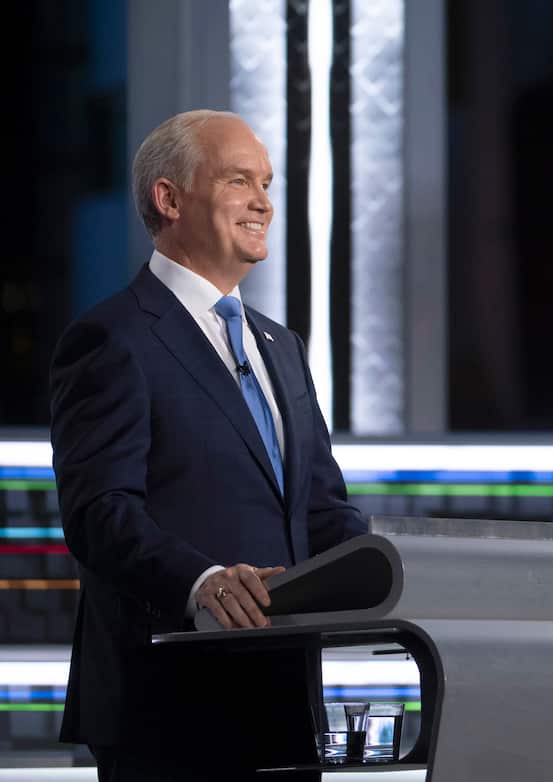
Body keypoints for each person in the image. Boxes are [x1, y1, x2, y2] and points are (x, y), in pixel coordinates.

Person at [49, 110, 367, 780]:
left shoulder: (282, 346)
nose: (263, 203)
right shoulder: (113, 338)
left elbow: (320, 509)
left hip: (282, 699)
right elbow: (100, 512)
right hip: (167, 703)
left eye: (267, 184)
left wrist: (401, 567)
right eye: (238, 181)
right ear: (169, 199)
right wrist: (201, 583)